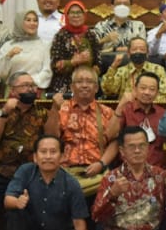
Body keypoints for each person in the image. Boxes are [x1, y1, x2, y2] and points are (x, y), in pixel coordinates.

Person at [4, 135, 90, 230]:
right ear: (35, 157)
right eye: (43, 152)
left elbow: (79, 222)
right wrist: (17, 202)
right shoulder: (26, 171)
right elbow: (7, 200)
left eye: (53, 152)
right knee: (14, 213)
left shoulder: (71, 184)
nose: (48, 156)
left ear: (62, 156)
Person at [0, 72, 47, 230]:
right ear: (13, 90)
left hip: (30, 171)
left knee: (36, 203)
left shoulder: (42, 112)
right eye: (24, 85)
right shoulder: (1, 110)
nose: (29, 89)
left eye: (32, 85)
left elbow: (52, 137)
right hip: (1, 170)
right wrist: (4, 113)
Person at [46, 66, 116, 196]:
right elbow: (50, 138)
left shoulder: (107, 112)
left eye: (89, 81)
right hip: (65, 173)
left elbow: (115, 142)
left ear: (96, 88)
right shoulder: (61, 109)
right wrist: (54, 109)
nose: (84, 85)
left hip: (97, 172)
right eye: (79, 81)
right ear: (72, 87)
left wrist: (101, 164)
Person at [109, 72, 166, 170]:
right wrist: (120, 105)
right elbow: (110, 135)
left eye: (152, 89)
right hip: (128, 170)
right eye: (143, 88)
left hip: (156, 171)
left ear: (157, 93)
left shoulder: (162, 114)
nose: (147, 92)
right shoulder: (126, 110)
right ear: (135, 89)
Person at [0, 9, 53, 91]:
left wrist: (27, 83)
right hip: (13, 91)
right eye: (28, 20)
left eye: (35, 20)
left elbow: (47, 71)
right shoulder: (8, 46)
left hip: (35, 90)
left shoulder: (44, 46)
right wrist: (8, 56)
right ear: (19, 22)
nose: (32, 23)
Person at [48, 0, 100, 96]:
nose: (76, 15)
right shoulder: (60, 36)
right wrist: (73, 62)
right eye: (72, 13)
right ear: (66, 16)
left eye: (79, 12)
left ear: (84, 15)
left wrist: (90, 71)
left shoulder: (91, 35)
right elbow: (55, 65)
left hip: (88, 81)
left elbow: (98, 62)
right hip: (64, 83)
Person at [100, 36, 166, 100]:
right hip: (126, 111)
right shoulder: (121, 71)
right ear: (128, 54)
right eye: (134, 49)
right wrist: (113, 66)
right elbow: (108, 91)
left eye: (142, 49)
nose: (138, 51)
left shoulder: (158, 70)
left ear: (147, 54)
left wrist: (143, 100)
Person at [93, 0, 147, 65]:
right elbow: (91, 48)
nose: (122, 7)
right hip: (106, 64)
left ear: (130, 7)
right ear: (112, 7)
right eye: (118, 4)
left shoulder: (138, 26)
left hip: (132, 64)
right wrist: (105, 39)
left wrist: (114, 49)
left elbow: (142, 49)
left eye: (126, 4)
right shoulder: (101, 26)